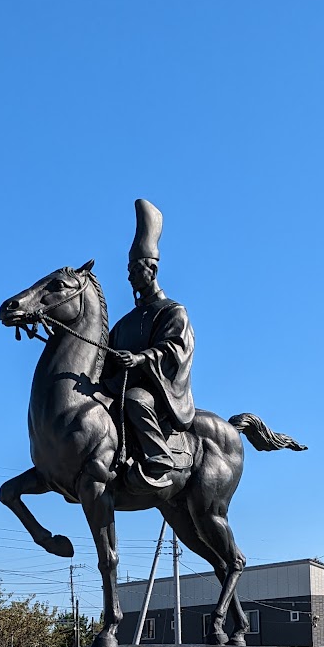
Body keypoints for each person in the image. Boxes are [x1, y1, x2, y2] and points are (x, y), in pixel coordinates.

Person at [105, 199, 195, 488]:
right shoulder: (124, 322)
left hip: (157, 392)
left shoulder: (172, 311)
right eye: (128, 270)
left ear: (151, 272)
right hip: (120, 385)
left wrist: (140, 359)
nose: (129, 276)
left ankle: (159, 457)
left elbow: (174, 348)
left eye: (134, 270)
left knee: (135, 399)